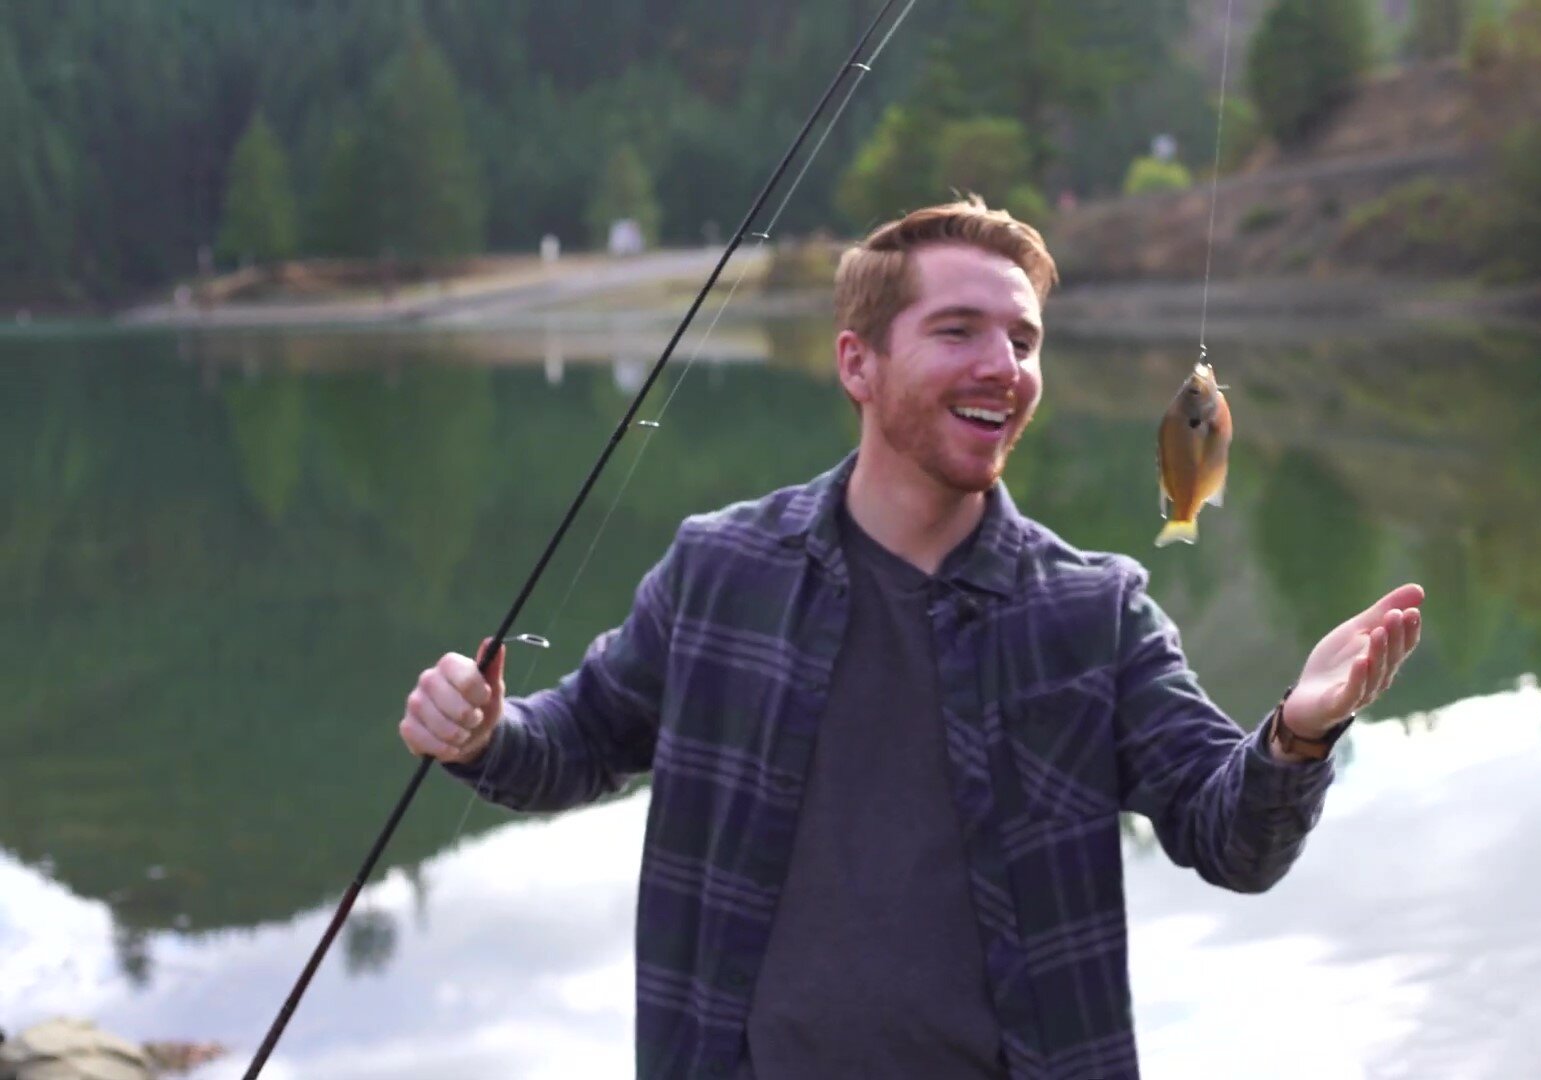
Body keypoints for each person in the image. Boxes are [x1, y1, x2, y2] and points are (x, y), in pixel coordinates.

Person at [399, 195, 1425, 1079]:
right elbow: (574, 743)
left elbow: (1231, 838)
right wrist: (483, 731)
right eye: (958, 332)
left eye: (1023, 341)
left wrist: (1296, 733)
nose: (1004, 367)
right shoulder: (720, 571)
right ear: (858, 362)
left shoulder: (1095, 612)